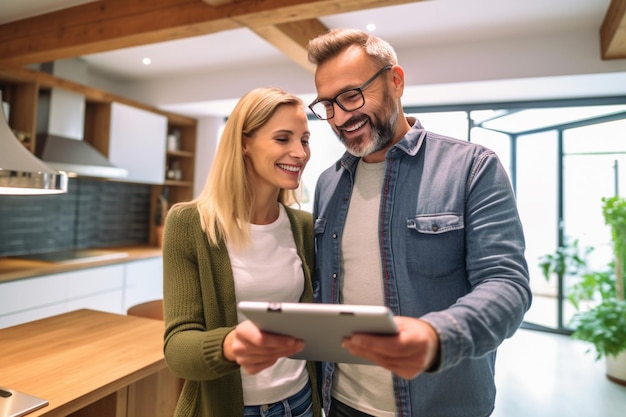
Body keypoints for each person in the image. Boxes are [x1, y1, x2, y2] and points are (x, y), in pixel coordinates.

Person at [307, 28, 532, 417]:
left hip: (442, 405)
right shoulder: (328, 183)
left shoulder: (471, 167)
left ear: (396, 81)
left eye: (351, 95)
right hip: (342, 403)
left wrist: (435, 335)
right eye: (327, 104)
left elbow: (507, 284)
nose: (340, 117)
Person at [162, 87, 322, 417]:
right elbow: (177, 349)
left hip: (301, 403)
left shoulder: (304, 226)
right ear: (244, 143)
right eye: (283, 139)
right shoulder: (190, 223)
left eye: (304, 140)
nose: (300, 153)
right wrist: (231, 343)